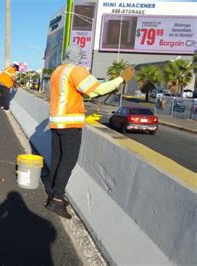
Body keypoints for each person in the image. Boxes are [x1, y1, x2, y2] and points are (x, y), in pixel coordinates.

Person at [44, 44, 134, 219]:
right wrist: (120, 80)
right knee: (68, 161)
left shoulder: (58, 71)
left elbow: (82, 93)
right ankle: (56, 199)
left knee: (57, 159)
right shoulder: (76, 71)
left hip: (56, 122)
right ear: (79, 57)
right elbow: (96, 90)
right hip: (69, 124)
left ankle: (52, 190)